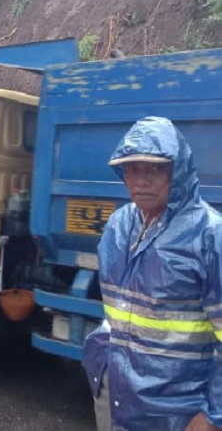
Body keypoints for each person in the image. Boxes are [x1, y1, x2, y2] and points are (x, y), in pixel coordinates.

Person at [82, 116, 222, 431]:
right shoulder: (119, 225)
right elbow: (119, 310)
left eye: (154, 168)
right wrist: (99, 363)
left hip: (177, 410)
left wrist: (213, 416)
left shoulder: (210, 235)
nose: (141, 180)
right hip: (115, 394)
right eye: (132, 168)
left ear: (178, 170)